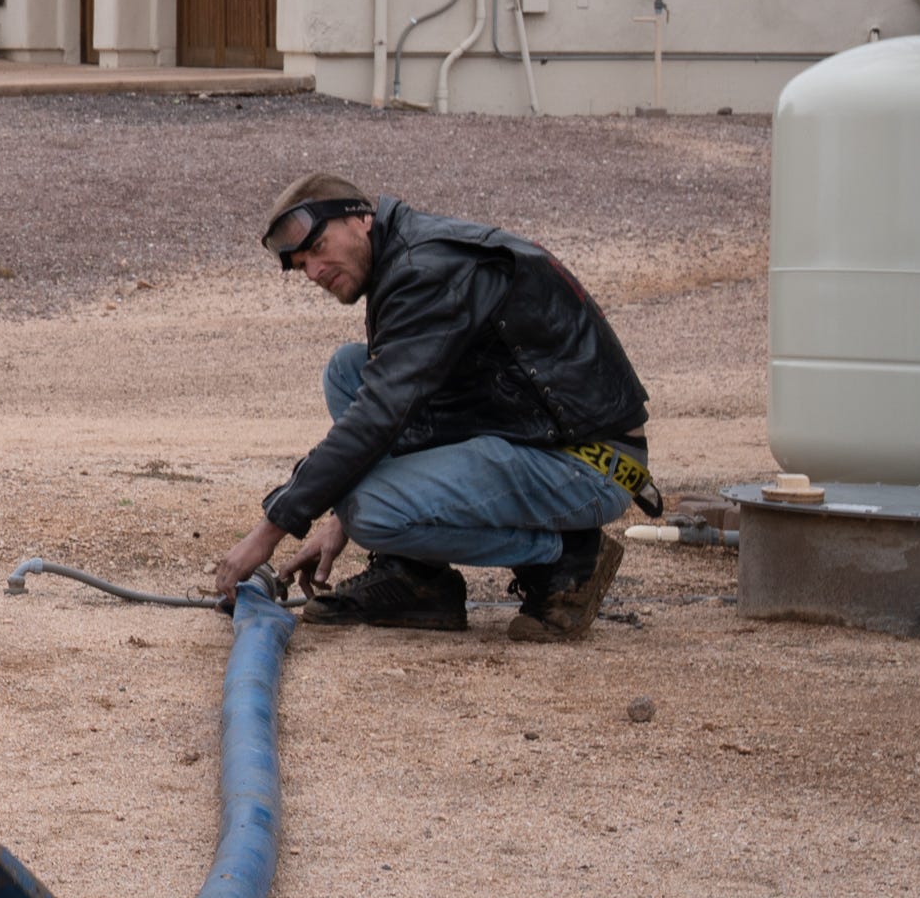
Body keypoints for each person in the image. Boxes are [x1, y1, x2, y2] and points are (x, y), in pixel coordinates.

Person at [202, 173, 655, 639]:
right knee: (348, 371)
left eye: (318, 247)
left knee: (371, 510)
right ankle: (418, 580)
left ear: (360, 217)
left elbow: (378, 417)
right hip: (532, 431)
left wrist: (271, 531)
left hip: (590, 464)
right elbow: (392, 404)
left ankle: (566, 555)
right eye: (301, 265)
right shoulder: (405, 257)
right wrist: (334, 520)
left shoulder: (425, 269)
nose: (314, 272)